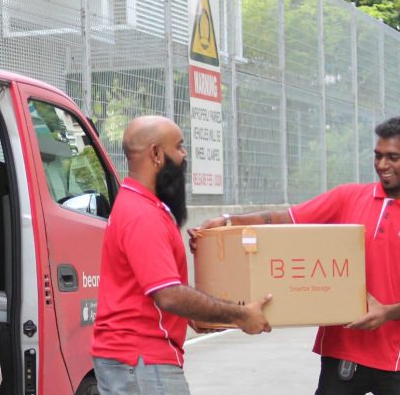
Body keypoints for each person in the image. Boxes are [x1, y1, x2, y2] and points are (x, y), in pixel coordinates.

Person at [190, 117, 400, 394]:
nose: (382, 165)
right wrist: (229, 220)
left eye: (393, 157)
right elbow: (286, 219)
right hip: (344, 351)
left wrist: (388, 313)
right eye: (378, 156)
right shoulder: (348, 197)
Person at [92, 115, 272, 395]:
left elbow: (147, 291)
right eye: (179, 147)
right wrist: (241, 314)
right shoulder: (143, 215)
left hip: (135, 362)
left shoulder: (139, 205)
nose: (185, 155)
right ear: (156, 153)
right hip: (143, 363)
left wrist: (193, 317)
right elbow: (169, 294)